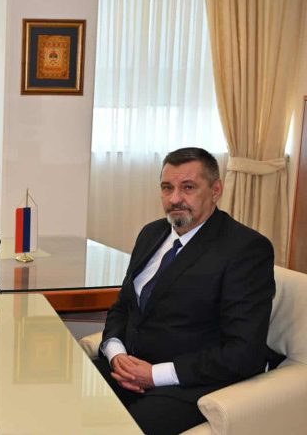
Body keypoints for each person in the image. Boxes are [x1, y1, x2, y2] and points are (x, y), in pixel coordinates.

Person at [96, 147, 275, 434]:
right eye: (167, 188)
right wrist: (116, 354)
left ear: (216, 190)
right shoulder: (151, 233)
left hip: (189, 381)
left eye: (188, 187)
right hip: (129, 368)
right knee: (64, 398)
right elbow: (123, 306)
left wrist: (154, 374)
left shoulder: (246, 249)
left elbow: (244, 352)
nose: (174, 199)